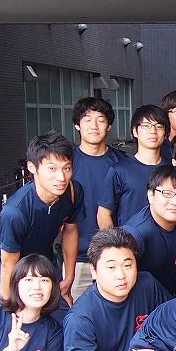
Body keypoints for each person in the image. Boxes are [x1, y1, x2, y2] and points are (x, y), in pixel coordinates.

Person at [0, 132, 82, 310]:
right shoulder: (15, 212)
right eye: (52, 169)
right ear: (32, 167)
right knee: (6, 323)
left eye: (67, 168)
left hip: (44, 266)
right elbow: (8, 265)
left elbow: (70, 231)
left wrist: (68, 278)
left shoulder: (73, 191)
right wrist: (11, 308)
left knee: (60, 321)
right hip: (8, 272)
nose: (61, 177)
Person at [122, 165, 176, 296]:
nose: (175, 202)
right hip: (139, 298)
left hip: (172, 295)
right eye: (167, 193)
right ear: (151, 195)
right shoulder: (136, 234)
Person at [69, 97, 122, 300]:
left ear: (109, 126)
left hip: (114, 256)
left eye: (100, 120)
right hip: (77, 258)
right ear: (77, 125)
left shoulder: (122, 163)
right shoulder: (67, 164)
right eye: (87, 119)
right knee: (77, 312)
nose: (94, 126)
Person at [98, 105, 168, 228]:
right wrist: (114, 240)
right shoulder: (120, 170)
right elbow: (104, 213)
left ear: (165, 133)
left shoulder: (172, 169)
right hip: (129, 238)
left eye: (159, 126)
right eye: (146, 126)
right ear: (135, 131)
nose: (153, 131)